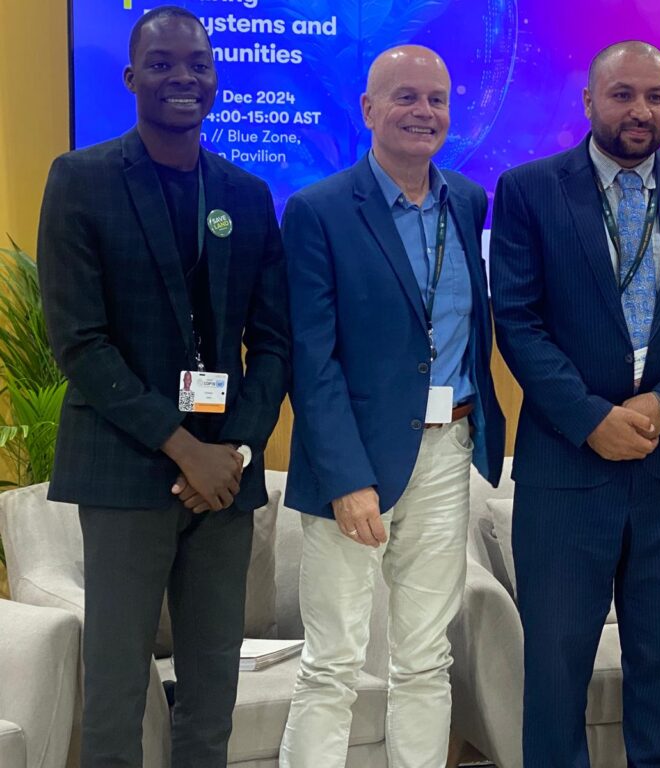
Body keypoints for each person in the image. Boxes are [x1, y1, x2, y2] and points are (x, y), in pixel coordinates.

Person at [36, 6, 290, 767]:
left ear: (216, 77)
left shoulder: (245, 194)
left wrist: (235, 451)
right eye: (163, 64)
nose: (184, 77)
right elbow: (80, 343)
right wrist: (185, 450)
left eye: (198, 63)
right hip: (126, 471)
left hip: (224, 479)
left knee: (212, 692)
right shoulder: (81, 180)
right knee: (116, 693)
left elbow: (274, 341)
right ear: (131, 78)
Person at [490, 40, 660, 767]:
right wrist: (591, 419)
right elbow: (517, 319)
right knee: (555, 665)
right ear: (589, 102)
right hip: (567, 471)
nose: (640, 111)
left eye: (655, 98)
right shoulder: (529, 189)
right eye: (624, 94)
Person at [279, 45, 505, 767]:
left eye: (437, 99)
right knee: (334, 661)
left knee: (423, 657)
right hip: (356, 461)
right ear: (369, 109)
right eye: (405, 97)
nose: (424, 112)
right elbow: (312, 360)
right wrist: (347, 479)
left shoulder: (467, 202)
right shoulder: (318, 211)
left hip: (448, 449)